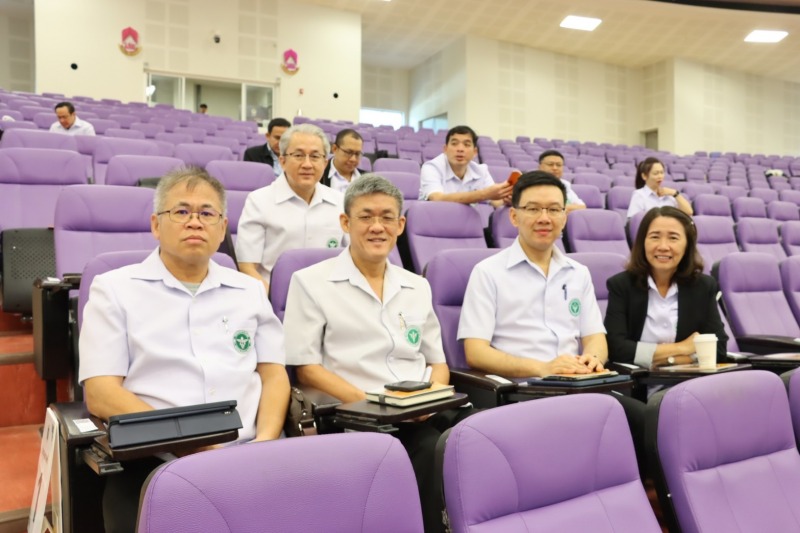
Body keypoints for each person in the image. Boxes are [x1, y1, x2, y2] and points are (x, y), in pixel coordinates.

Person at [79, 166, 289, 533]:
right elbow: (100, 393)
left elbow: (273, 374)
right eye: (181, 211)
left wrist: (266, 444)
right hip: (156, 458)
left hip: (254, 455)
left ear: (223, 229)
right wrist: (195, 449)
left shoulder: (249, 290)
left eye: (207, 213)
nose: (195, 222)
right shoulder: (114, 289)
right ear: (156, 225)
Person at [284, 174, 471, 533]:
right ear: (345, 222)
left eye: (387, 217)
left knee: (475, 436)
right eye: (366, 216)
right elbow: (307, 370)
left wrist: (430, 399)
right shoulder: (310, 282)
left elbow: (437, 362)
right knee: (431, 448)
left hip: (421, 408)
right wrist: (381, 407)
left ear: (400, 225)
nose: (376, 227)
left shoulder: (416, 284)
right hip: (358, 415)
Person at [458, 171, 607, 377]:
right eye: (533, 209)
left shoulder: (578, 273)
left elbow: (595, 337)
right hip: (522, 391)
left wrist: (593, 358)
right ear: (514, 217)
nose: (544, 218)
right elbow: (476, 353)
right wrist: (543, 369)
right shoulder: (487, 272)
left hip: (576, 384)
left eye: (554, 210)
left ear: (564, 218)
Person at [605, 206, 728, 370]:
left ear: (687, 245)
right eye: (655, 237)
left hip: (690, 383)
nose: (663, 246)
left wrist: (668, 361)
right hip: (640, 387)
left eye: (673, 238)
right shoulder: (621, 285)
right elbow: (616, 348)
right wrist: (682, 348)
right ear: (642, 243)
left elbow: (718, 349)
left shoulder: (703, 287)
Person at [236, 123, 345, 292]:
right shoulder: (259, 201)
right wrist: (274, 301)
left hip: (329, 297)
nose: (307, 164)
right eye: (299, 155)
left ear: (325, 163)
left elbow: (354, 258)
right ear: (283, 161)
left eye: (315, 156)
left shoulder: (340, 202)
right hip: (275, 299)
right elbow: (247, 267)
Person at [419, 125, 512, 207]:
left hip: (465, 224)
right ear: (445, 149)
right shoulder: (431, 167)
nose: (460, 149)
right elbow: (437, 199)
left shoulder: (481, 171)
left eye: (466, 144)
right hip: (432, 223)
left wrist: (506, 201)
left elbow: (496, 202)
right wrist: (484, 194)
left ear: (475, 152)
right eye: (454, 144)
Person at [627, 157, 693, 219]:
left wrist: (675, 193)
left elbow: (689, 212)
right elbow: (634, 222)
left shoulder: (669, 194)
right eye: (656, 173)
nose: (660, 176)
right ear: (644, 176)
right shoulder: (639, 195)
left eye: (662, 172)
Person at [320, 128, 366, 193]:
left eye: (357, 154)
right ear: (334, 149)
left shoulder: (367, 178)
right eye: (348, 152)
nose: (353, 159)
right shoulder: (320, 174)